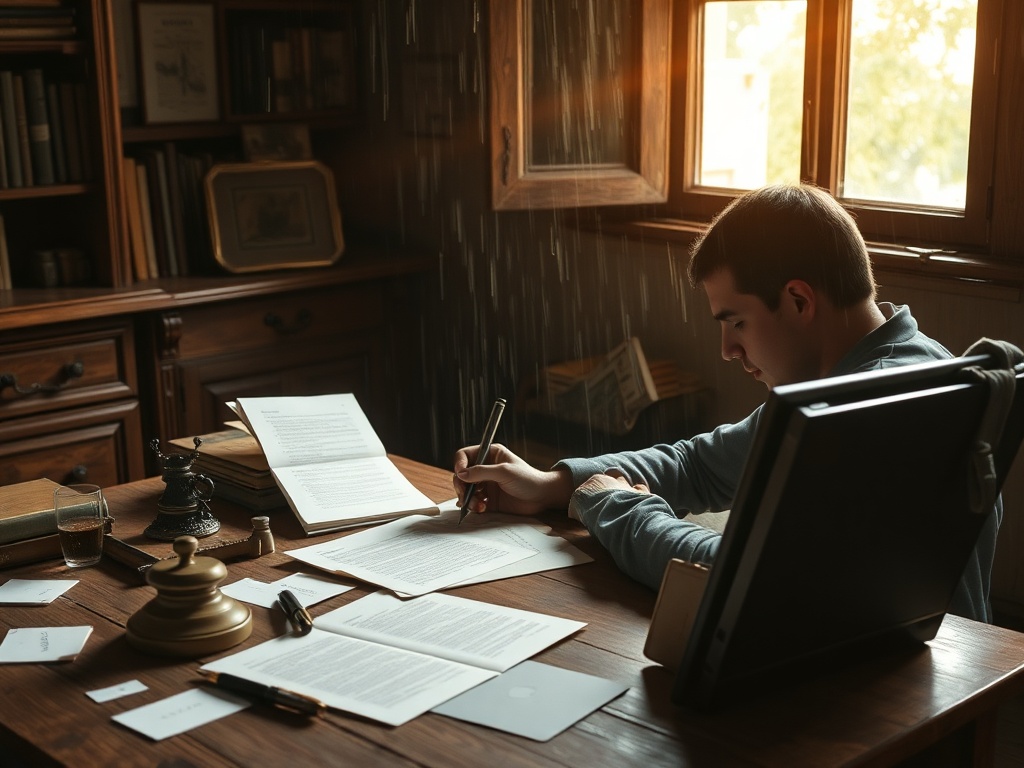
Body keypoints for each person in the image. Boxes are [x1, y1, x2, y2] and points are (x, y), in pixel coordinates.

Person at [453, 183, 1001, 623]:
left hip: (905, 704)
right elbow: (699, 465)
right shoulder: (886, 372)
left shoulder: (868, 410)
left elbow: (743, 581)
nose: (727, 349)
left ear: (798, 300)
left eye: (735, 322)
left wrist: (616, 507)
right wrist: (555, 485)